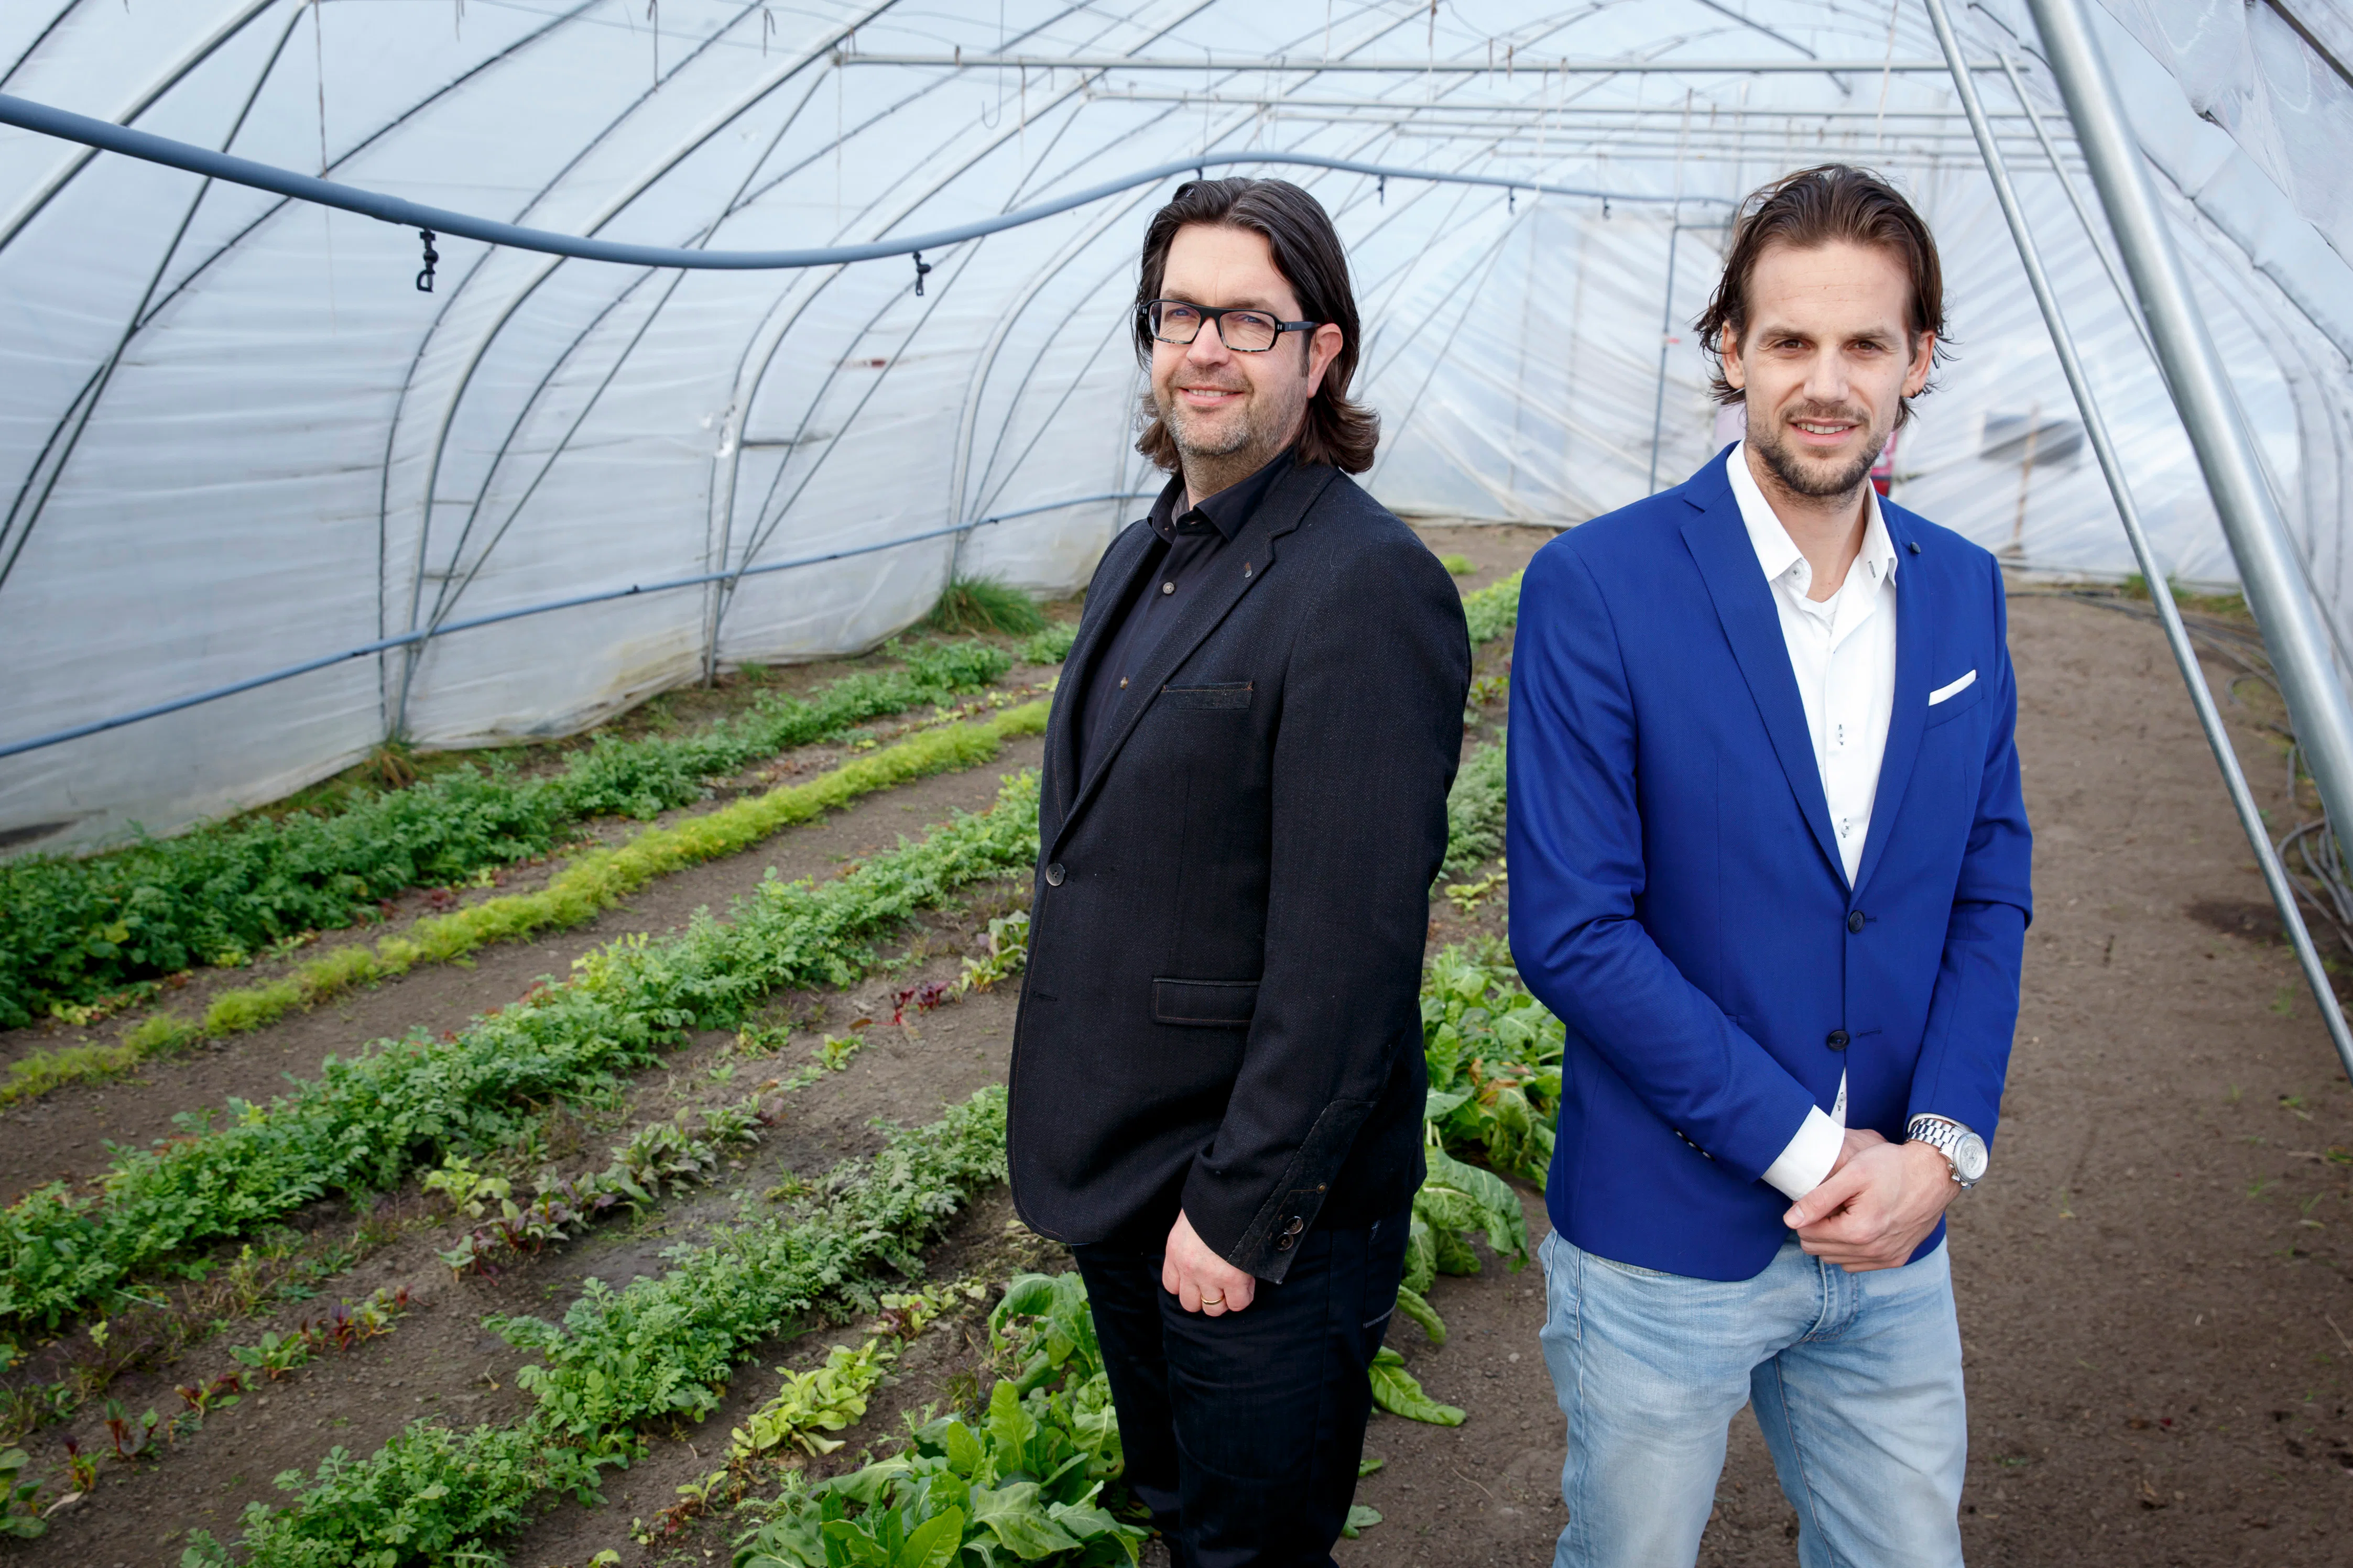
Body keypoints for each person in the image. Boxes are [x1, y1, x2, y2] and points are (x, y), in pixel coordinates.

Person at [1507, 163, 2033, 1567]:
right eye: (1789, 340)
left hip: (1898, 1239)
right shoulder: (1599, 587)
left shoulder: (1964, 586)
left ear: (1919, 361)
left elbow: (1988, 879)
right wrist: (1817, 1154)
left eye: (1867, 344)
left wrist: (1941, 1151)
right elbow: (1573, 930)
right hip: (1668, 1236)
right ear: (1728, 349)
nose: (1826, 381)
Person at [1006, 177, 1470, 1566]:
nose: (1204, 346)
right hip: (1127, 1176)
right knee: (1181, 1516)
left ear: (1322, 353)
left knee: (1248, 1553)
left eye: (1247, 320)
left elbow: (1351, 958)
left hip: (1251, 1215)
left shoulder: (1361, 585)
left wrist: (1239, 1212)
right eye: (1180, 313)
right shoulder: (1142, 555)